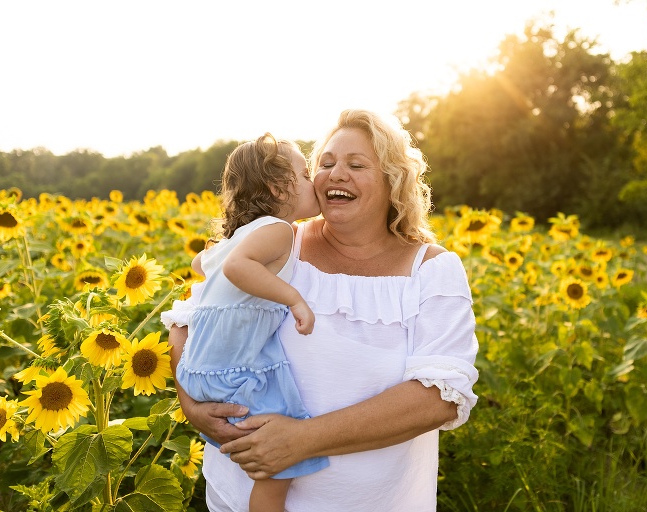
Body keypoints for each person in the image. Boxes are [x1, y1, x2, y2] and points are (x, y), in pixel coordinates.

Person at [167, 109, 480, 511]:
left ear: (393, 181)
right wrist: (192, 406)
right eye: (326, 163)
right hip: (239, 495)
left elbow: (439, 397)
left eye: (356, 164)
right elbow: (187, 320)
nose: (336, 174)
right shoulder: (277, 242)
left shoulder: (432, 269)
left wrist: (301, 440)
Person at [161, 133, 328, 512]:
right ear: (277, 187)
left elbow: (200, 264)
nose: (313, 179)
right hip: (235, 372)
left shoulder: (235, 239)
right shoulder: (279, 230)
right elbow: (238, 267)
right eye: (304, 174)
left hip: (198, 371)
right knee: (280, 462)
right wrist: (294, 299)